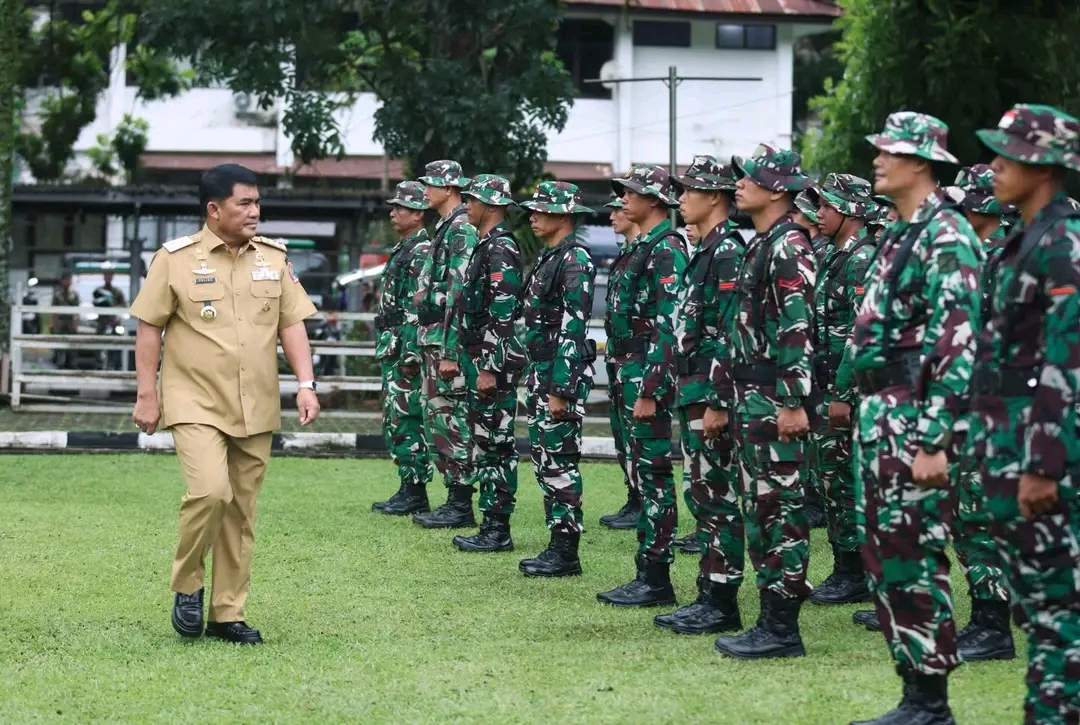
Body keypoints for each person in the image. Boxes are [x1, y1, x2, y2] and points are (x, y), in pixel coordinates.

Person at [130, 163, 320, 644]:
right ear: (214, 210)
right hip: (193, 398)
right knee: (211, 492)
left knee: (240, 512)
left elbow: (291, 323)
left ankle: (226, 613)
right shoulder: (173, 259)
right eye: (245, 203)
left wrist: (306, 383)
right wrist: (147, 394)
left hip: (256, 402)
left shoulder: (274, 258)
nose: (255, 211)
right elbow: (149, 327)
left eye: (257, 202)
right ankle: (188, 584)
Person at [847, 112, 981, 724]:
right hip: (881, 414)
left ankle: (931, 701)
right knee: (885, 555)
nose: (877, 160)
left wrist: (934, 440)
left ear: (921, 162)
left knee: (914, 554)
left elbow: (958, 344)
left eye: (890, 152)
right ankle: (914, 692)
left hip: (913, 419)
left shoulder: (947, 235)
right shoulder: (902, 232)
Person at [973, 103, 1080, 725]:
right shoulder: (1025, 238)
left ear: (1043, 166)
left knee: (1060, 605)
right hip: (1008, 443)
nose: (994, 166)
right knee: (1038, 605)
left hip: (1045, 455)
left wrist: (1043, 463)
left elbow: (1067, 359)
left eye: (1007, 155)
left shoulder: (1063, 243)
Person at [711, 144, 816, 660]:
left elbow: (798, 326)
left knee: (781, 509)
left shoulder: (789, 245)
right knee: (759, 509)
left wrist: (793, 400)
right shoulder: (765, 242)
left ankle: (782, 627)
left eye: (749, 178)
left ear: (776, 190)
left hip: (774, 398)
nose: (738, 184)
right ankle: (770, 619)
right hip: (751, 396)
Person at [653, 155, 746, 634]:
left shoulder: (727, 251)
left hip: (710, 393)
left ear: (714, 197)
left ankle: (721, 600)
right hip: (693, 389)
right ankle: (709, 593)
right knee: (703, 493)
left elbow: (731, 333)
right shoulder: (706, 249)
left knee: (716, 495)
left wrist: (718, 401)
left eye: (690, 190)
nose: (681, 199)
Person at [597, 164, 687, 609]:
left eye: (631, 192)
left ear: (654, 200)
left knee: (653, 474)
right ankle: (648, 573)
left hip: (645, 374)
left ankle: (655, 577)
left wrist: (650, 388)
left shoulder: (667, 248)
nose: (623, 200)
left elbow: (669, 325)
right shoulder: (642, 246)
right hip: (628, 368)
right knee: (642, 471)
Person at [940, 164, 1016, 661]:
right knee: (967, 516)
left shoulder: (1003, 260)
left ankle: (993, 626)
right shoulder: (980, 255)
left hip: (996, 411)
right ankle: (988, 618)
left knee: (978, 515)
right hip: (971, 405)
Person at [516, 181, 597, 577]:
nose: (533, 217)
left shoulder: (574, 260)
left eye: (542, 210)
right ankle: (557, 545)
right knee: (545, 460)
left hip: (557, 375)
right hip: (542, 371)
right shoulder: (551, 257)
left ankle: (566, 552)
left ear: (564, 215)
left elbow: (573, 327)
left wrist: (560, 388)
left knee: (560, 461)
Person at [806, 174, 879, 607]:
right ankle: (847, 566)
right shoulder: (836, 255)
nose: (818, 214)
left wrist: (843, 395)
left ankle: (855, 572)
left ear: (850, 211)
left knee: (847, 483)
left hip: (846, 390)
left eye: (826, 207)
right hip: (828, 383)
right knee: (832, 480)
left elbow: (861, 332)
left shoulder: (862, 259)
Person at [450, 174, 527, 553]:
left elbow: (503, 312)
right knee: (484, 440)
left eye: (473, 199)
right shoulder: (486, 245)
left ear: (492, 206)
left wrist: (489, 367)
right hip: (478, 357)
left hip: (490, 363)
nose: (466, 205)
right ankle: (491, 523)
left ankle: (497, 529)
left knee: (496, 443)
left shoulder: (500, 249)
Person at [412, 160, 480, 529]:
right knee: (437, 418)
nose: (425, 190)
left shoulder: (461, 229)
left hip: (446, 342)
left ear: (450, 188)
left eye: (431, 184)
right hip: (434, 337)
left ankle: (461, 502)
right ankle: (454, 497)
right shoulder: (446, 227)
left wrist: (451, 351)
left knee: (452, 419)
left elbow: (459, 293)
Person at [371, 181, 434, 517]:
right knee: (395, 416)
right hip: (393, 343)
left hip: (404, 345)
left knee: (406, 416)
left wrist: (411, 352)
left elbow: (416, 306)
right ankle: (408, 485)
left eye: (401, 208)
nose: (393, 213)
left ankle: (415, 490)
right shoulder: (406, 246)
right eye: (393, 207)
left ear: (418, 213)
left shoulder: (421, 250)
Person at [598, 189, 643, 531]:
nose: (612, 215)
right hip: (619, 359)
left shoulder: (652, 252)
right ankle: (634, 498)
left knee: (639, 436)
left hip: (638, 361)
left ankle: (644, 502)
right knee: (622, 435)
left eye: (618, 209)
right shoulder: (627, 254)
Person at [51, 270, 80, 369]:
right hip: (60, 321)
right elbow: (53, 310)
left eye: (68, 279)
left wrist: (76, 324)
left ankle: (70, 363)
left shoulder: (74, 294)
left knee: (71, 344)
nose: (67, 281)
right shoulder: (57, 294)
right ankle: (58, 362)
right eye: (65, 279)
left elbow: (77, 311)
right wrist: (52, 324)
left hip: (70, 321)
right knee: (58, 344)